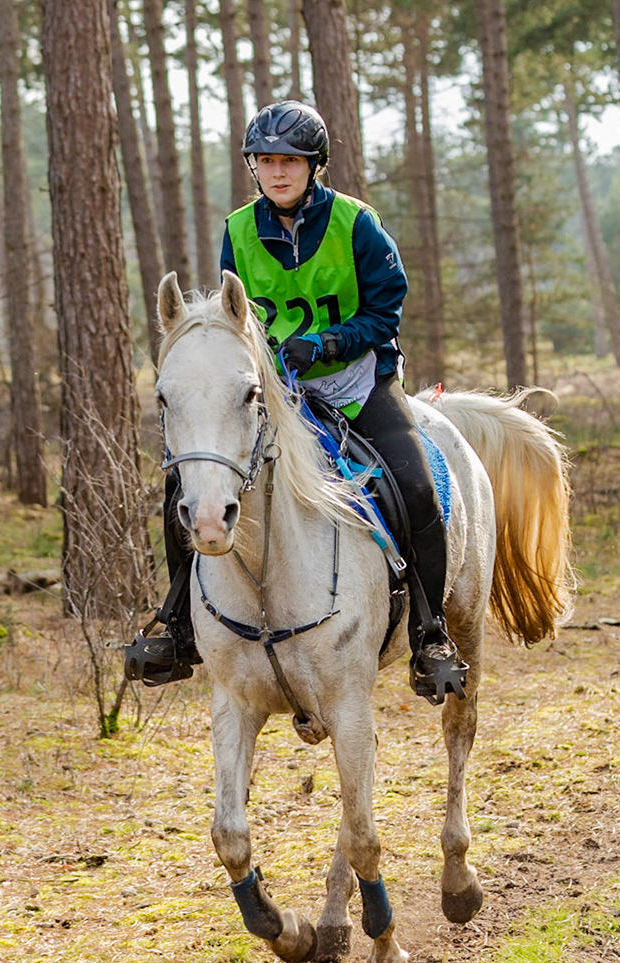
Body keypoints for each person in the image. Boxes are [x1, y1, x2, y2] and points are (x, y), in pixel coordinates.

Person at [125, 100, 471, 702]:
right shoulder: (238, 230)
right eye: (265, 161)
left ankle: (429, 632)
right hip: (278, 392)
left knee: (415, 484)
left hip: (358, 383)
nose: (277, 171)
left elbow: (386, 308)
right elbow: (235, 319)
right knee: (186, 483)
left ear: (315, 166)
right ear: (253, 167)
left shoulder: (357, 223)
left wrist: (332, 342)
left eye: (290, 160)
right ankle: (177, 625)